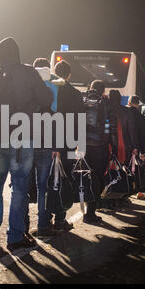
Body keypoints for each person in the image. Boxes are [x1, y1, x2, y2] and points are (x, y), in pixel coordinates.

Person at [0, 37, 52, 250]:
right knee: (19, 188)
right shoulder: (28, 72)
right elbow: (47, 98)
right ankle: (15, 236)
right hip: (22, 136)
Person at [23, 57, 65, 238]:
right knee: (43, 187)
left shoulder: (25, 86)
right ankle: (42, 225)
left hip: (27, 141)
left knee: (21, 186)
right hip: (46, 143)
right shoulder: (53, 87)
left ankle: (22, 228)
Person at [52, 60, 85, 231]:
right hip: (68, 144)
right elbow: (80, 120)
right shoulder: (75, 93)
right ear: (69, 75)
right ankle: (60, 219)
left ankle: (45, 219)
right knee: (64, 178)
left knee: (48, 179)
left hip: (49, 142)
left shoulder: (49, 90)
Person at [82, 80, 109, 223]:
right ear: (103, 91)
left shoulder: (82, 99)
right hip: (99, 146)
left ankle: (85, 204)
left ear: (90, 88)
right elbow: (107, 125)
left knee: (85, 176)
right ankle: (90, 213)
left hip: (83, 146)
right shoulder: (104, 103)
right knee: (96, 177)